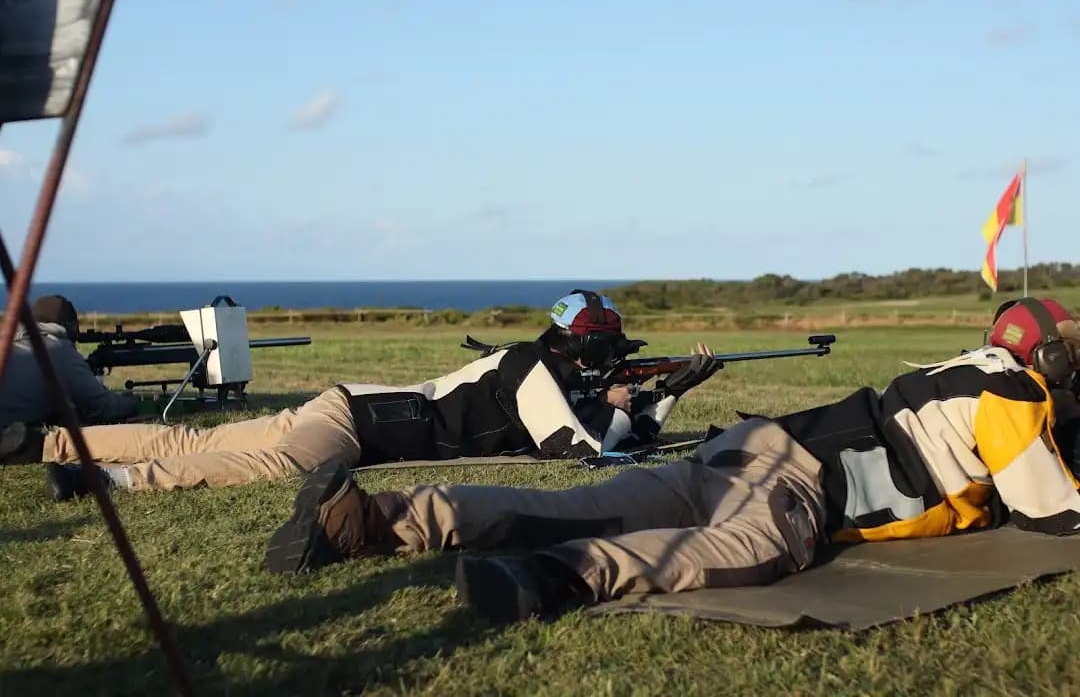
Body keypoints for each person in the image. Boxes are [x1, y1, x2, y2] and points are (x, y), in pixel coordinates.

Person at [263, 296, 1080, 625]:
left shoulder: (966, 373)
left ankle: (377, 518)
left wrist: (665, 398)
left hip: (747, 447)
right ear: (1050, 358)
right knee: (752, 549)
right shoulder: (1016, 398)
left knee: (588, 503)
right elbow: (1052, 510)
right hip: (802, 484)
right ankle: (554, 578)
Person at [42, 290, 721, 500]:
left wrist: (666, 400)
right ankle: (114, 478)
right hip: (358, 428)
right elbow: (575, 448)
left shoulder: (544, 368)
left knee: (192, 437)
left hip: (347, 408)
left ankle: (50, 443)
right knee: (279, 465)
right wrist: (629, 411)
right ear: (588, 348)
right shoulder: (528, 365)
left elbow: (603, 432)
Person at [0, 295, 138, 464]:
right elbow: (103, 407)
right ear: (70, 327)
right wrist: (132, 401)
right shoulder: (57, 349)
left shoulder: (11, 346)